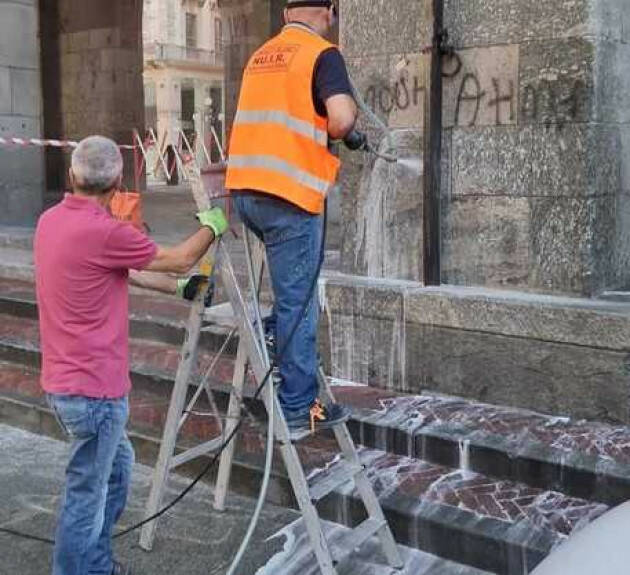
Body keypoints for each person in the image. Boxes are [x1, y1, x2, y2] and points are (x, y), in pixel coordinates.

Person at [34, 135, 228, 575]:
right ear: (118, 183)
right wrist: (214, 224)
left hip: (66, 387)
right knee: (86, 495)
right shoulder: (105, 232)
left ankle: (97, 564)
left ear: (71, 175)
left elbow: (125, 273)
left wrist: (179, 289)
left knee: (118, 471)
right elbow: (180, 258)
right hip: (94, 395)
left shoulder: (50, 222)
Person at [225, 0, 365, 435]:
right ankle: (299, 407)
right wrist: (348, 124)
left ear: (287, 13)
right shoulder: (323, 54)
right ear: (329, 11)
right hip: (289, 198)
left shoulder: (261, 55)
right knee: (298, 302)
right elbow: (340, 119)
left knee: (289, 296)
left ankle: (272, 331)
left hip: (247, 193)